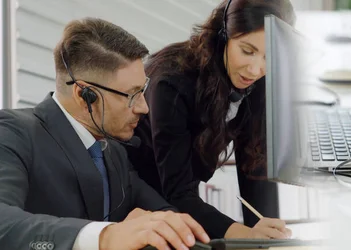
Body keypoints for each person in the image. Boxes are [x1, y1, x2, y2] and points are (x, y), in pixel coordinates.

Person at [0, 17, 210, 250]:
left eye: (143, 91)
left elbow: (161, 213)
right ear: (84, 95)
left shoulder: (114, 153)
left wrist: (165, 224)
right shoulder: (8, 131)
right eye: (131, 95)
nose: (144, 107)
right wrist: (106, 236)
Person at [126, 0, 296, 240]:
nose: (256, 69)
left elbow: (254, 162)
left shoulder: (256, 77)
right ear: (223, 34)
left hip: (183, 199)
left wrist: (268, 235)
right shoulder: (171, 83)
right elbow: (178, 194)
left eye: (270, 56)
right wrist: (245, 235)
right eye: (247, 51)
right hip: (136, 196)